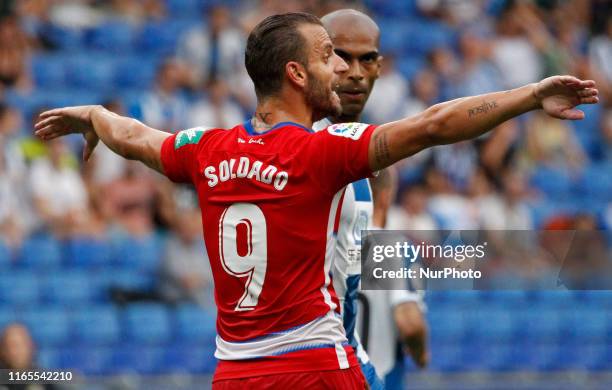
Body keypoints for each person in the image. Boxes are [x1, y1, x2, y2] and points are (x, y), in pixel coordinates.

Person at [34, 12, 598, 389]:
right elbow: (434, 125)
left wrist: (93, 116)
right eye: (330, 56)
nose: (344, 70)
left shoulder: (205, 149)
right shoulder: (322, 152)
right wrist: (529, 95)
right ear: (297, 73)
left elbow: (135, 138)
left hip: (232, 372)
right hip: (314, 363)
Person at [314, 9, 428, 389]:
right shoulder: (387, 249)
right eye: (342, 57)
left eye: (368, 59)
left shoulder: (361, 149)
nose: (356, 72)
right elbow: (409, 321)